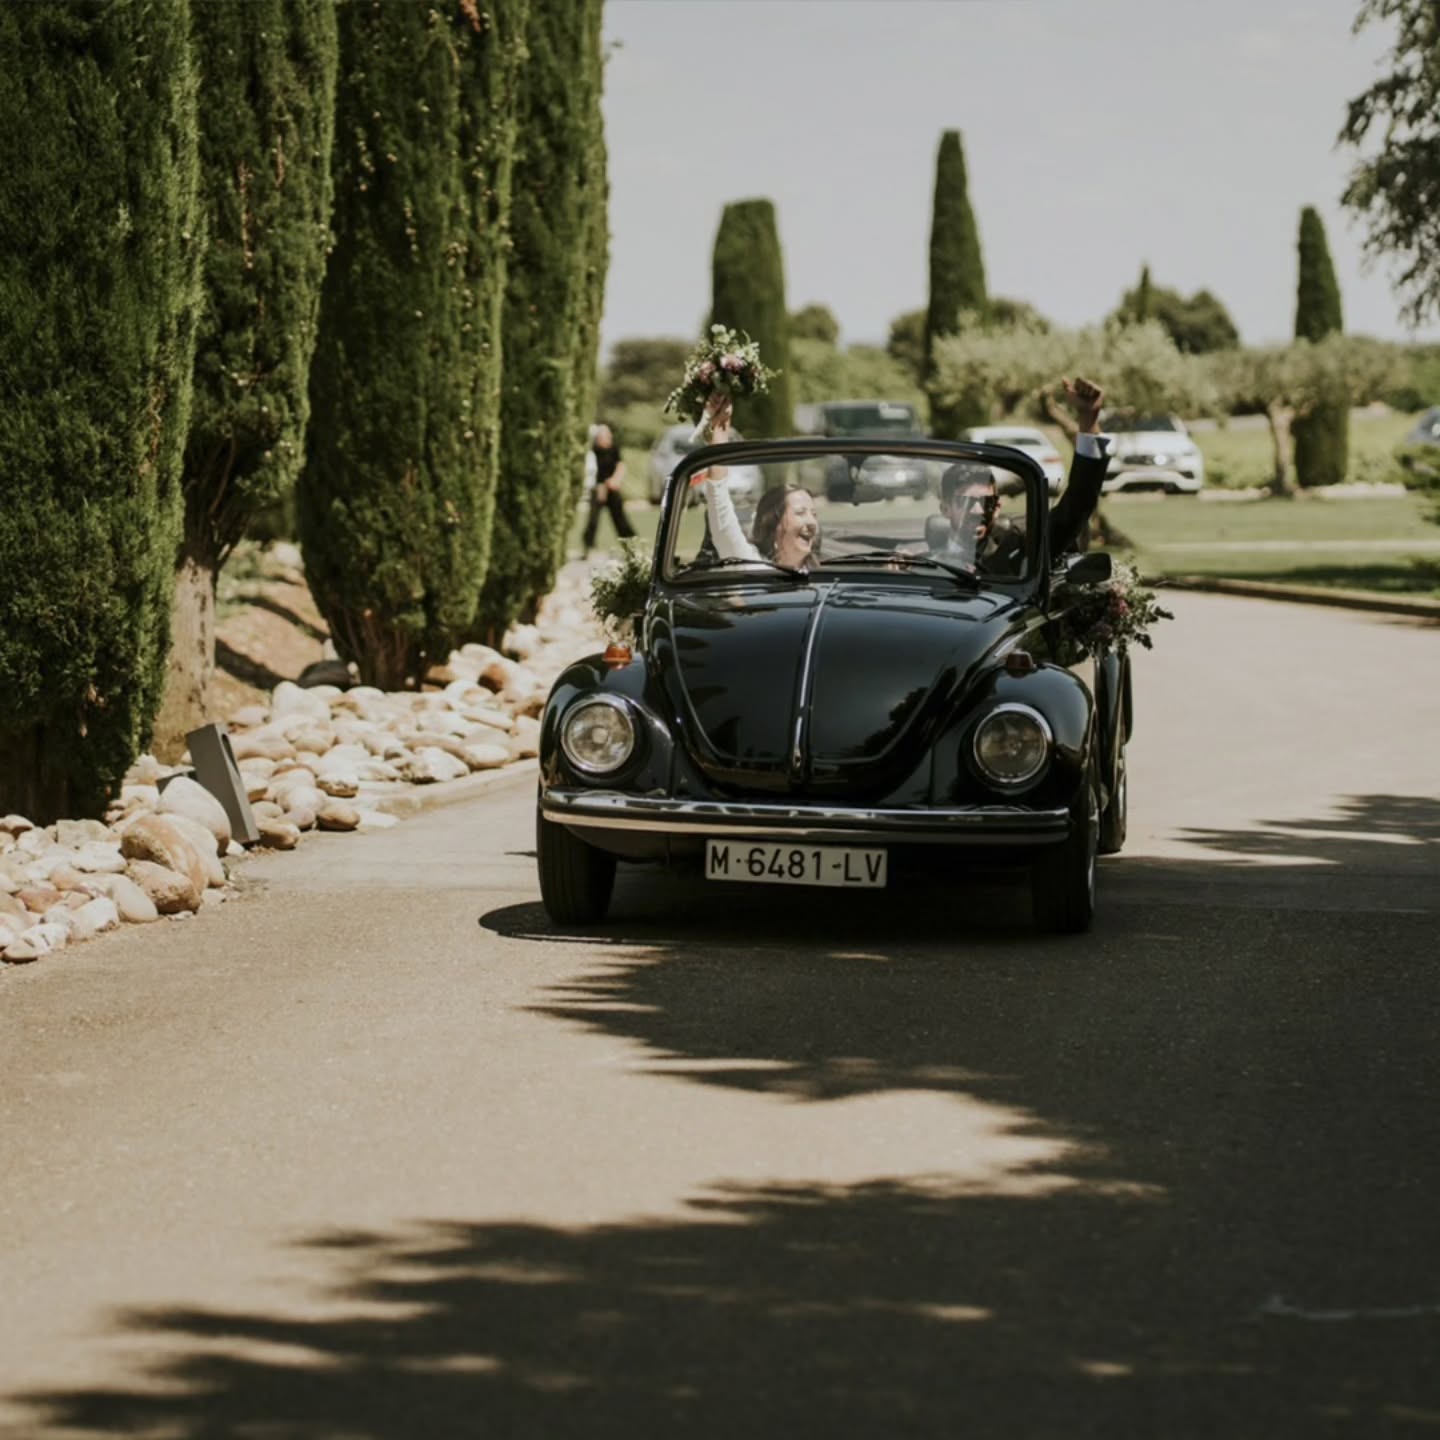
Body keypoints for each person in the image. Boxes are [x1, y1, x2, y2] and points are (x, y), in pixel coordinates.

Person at [931, 375, 1111, 572]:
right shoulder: (919, 563)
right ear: (945, 508)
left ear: (998, 507)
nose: (978, 511)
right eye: (966, 502)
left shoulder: (1022, 549)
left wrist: (1088, 420)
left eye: (987, 502)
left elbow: (1077, 505)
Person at [695, 397, 820, 569]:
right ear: (773, 522)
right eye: (800, 512)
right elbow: (718, 503)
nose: (812, 522)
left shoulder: (823, 576)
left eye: (814, 514)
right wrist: (719, 430)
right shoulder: (749, 563)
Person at [582, 423, 637, 553]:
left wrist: (615, 480)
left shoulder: (613, 449)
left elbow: (620, 466)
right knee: (593, 520)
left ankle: (630, 544)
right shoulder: (594, 451)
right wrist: (600, 487)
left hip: (611, 487)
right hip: (598, 488)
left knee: (620, 518)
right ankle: (588, 547)